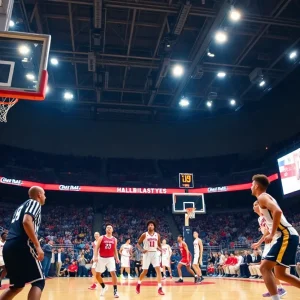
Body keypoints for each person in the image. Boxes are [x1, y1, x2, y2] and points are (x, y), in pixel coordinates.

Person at [251, 174, 300, 300]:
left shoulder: (262, 197)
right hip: (286, 235)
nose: (251, 187)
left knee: (264, 268)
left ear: (256, 186)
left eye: (252, 185)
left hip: (285, 234)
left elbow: (277, 211)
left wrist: (272, 234)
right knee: (280, 274)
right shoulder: (265, 197)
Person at [0, 186, 46, 300]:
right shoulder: (34, 203)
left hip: (9, 246)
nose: (45, 197)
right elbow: (26, 221)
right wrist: (37, 245)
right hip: (23, 244)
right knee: (39, 282)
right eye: (44, 194)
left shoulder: (19, 207)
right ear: (39, 195)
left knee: (17, 286)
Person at [252, 200, 287, 297]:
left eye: (255, 205)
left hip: (275, 239)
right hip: (268, 242)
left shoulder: (266, 215)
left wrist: (259, 242)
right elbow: (265, 232)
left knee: (267, 268)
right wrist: (259, 242)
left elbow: (268, 230)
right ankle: (274, 289)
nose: (253, 207)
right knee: (264, 268)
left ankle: (279, 288)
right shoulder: (259, 219)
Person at [136, 220, 164, 296]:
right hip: (147, 253)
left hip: (154, 253)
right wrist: (142, 250)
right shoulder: (144, 235)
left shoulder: (157, 235)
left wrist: (160, 249)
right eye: (149, 225)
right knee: (145, 271)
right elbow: (138, 244)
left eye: (152, 225)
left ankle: (160, 288)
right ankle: (138, 283)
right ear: (147, 226)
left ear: (154, 226)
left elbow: (158, 244)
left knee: (158, 270)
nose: (150, 226)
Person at [93, 224, 120, 298]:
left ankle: (115, 291)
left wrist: (117, 258)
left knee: (113, 273)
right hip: (101, 258)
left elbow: (115, 249)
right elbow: (96, 248)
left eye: (110, 228)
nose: (108, 229)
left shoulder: (114, 239)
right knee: (97, 275)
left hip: (110, 258)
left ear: (112, 230)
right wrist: (95, 257)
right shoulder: (101, 237)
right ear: (105, 230)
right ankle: (104, 287)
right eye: (107, 228)